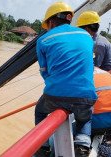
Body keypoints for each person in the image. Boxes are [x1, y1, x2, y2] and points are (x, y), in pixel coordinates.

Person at [34, 1, 98, 157]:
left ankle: (42, 147)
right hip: (86, 97)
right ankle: (82, 145)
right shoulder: (87, 37)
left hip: (55, 96)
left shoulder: (43, 40)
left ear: (50, 22)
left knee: (40, 111)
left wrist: (58, 87)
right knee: (85, 119)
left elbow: (44, 72)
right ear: (69, 18)